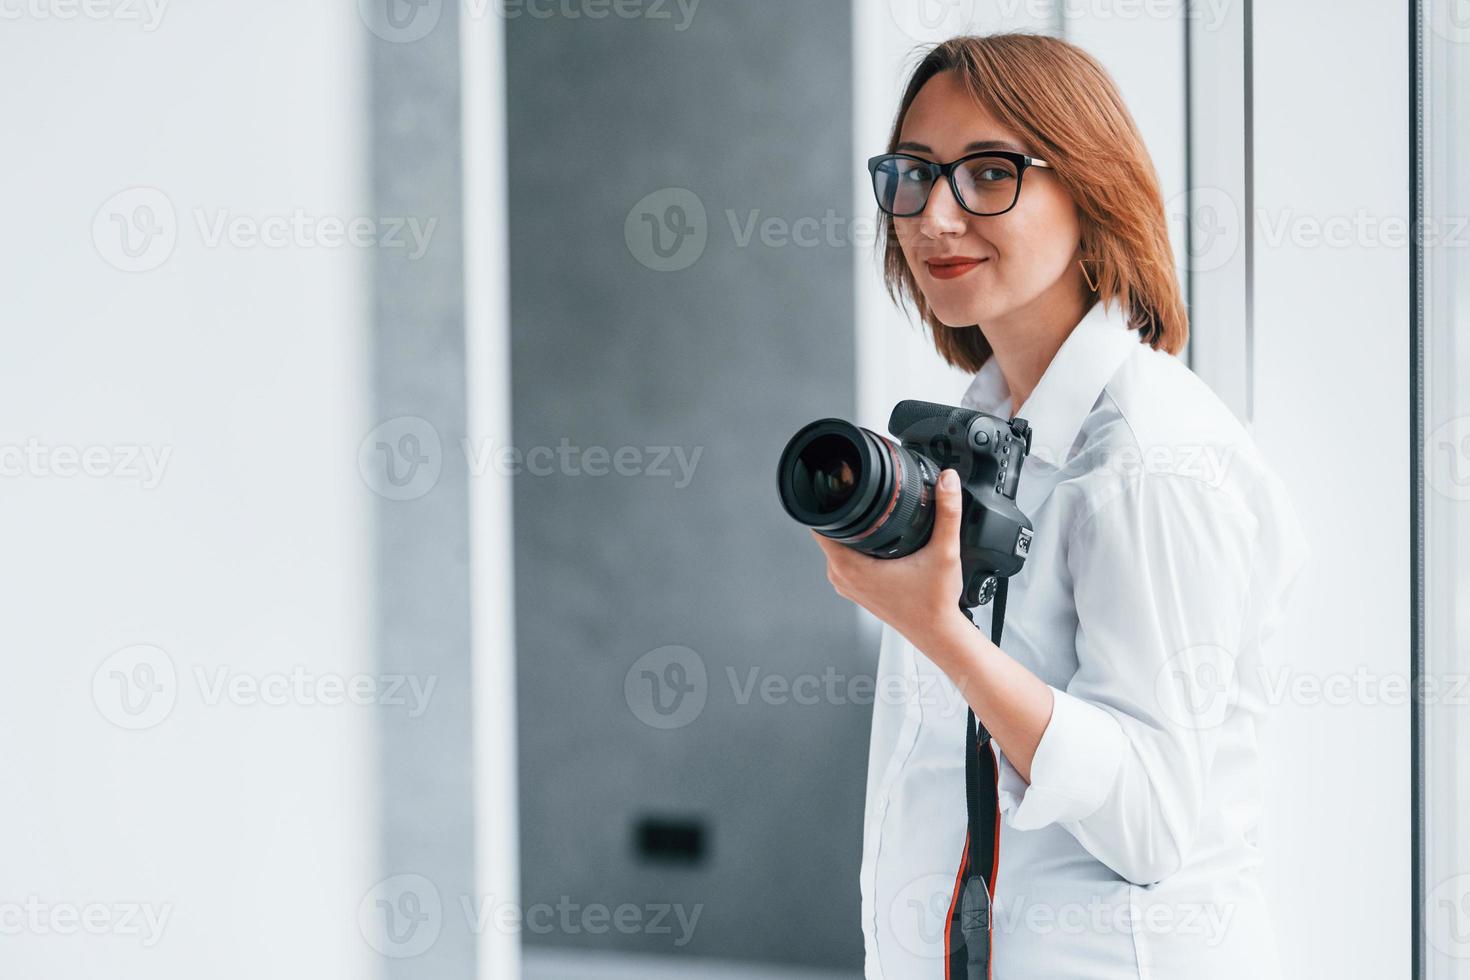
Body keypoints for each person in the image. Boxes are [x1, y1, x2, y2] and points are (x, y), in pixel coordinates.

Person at [811, 33, 1309, 979]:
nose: (936, 216)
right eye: (912, 175)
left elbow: (1153, 822)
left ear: (1088, 187)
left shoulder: (1153, 460)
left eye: (990, 173)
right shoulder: (985, 429)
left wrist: (939, 634)